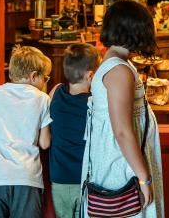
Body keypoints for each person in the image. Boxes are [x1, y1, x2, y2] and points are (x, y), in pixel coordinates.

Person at [81, 0, 164, 218]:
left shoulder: (114, 63)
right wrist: (144, 178)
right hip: (122, 168)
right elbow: (122, 131)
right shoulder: (119, 71)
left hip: (121, 164)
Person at [0, 46, 53, 218]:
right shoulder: (42, 98)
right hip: (27, 178)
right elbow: (44, 143)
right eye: (45, 78)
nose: (45, 82)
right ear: (34, 76)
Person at [48, 43, 101, 218]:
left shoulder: (55, 92)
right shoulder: (95, 103)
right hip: (86, 179)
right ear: (91, 75)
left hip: (59, 179)